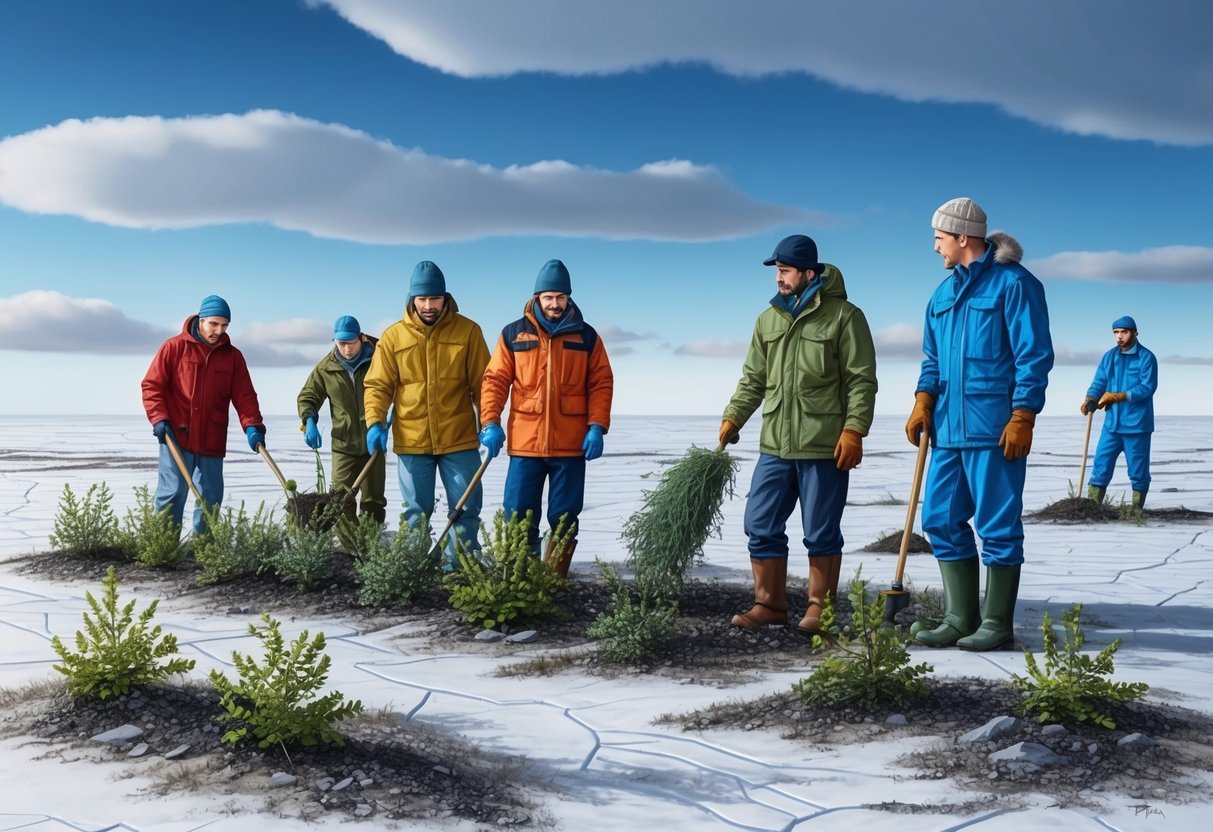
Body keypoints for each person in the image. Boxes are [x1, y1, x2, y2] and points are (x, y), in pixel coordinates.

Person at [906, 197, 1054, 651]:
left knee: (997, 525)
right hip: (948, 431)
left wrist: (1024, 413)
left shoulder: (1015, 284)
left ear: (962, 237)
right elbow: (932, 358)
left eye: (939, 238)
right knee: (940, 520)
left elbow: (1033, 355)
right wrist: (923, 398)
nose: (935, 248)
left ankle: (996, 622)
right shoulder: (942, 295)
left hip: (995, 429)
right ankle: (959, 617)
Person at [721, 235, 877, 634]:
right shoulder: (767, 320)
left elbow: (861, 381)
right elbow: (753, 379)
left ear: (809, 273)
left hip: (823, 444)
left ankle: (818, 611)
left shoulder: (845, 317)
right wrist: (734, 417)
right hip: (775, 443)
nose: (779, 278)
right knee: (760, 522)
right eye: (777, 271)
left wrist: (855, 430)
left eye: (785, 270)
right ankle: (769, 605)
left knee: (821, 530)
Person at [479, 259, 614, 577]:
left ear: (569, 298)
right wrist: (490, 422)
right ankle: (518, 579)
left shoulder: (586, 337)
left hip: (570, 445)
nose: (554, 304)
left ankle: (553, 581)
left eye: (561, 297)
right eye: (548, 297)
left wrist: (597, 427)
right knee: (517, 514)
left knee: (565, 516)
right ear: (537, 297)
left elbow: (601, 383)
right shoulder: (513, 334)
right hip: (526, 445)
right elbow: (495, 380)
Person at [363, 261, 491, 567]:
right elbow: (378, 385)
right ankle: (411, 570)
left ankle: (459, 570)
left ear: (445, 298)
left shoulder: (468, 332)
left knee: (465, 507)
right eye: (422, 299)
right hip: (412, 439)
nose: (429, 306)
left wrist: (490, 422)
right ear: (412, 300)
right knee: (415, 511)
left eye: (435, 299)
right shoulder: (394, 337)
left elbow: (484, 384)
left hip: (458, 438)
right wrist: (375, 423)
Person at [141, 294, 266, 536]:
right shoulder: (174, 347)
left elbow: (245, 396)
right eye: (214, 324)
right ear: (201, 319)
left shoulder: (233, 357)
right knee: (173, 491)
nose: (219, 331)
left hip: (212, 435)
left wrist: (253, 426)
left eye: (225, 326)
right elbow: (151, 385)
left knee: (211, 495)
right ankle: (163, 548)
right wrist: (158, 418)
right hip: (177, 434)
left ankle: (203, 550)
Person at [296, 315, 386, 524]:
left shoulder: (378, 361)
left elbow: (395, 387)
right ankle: (350, 549)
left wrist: (391, 416)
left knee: (373, 501)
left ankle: (369, 546)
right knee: (340, 500)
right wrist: (309, 420)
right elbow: (308, 396)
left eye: (351, 343)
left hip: (374, 441)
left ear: (361, 338)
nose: (346, 349)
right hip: (343, 445)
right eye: (341, 343)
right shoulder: (326, 368)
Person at [1082, 316, 1158, 509]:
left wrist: (1118, 396)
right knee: (1100, 465)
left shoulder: (1146, 357)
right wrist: (1090, 398)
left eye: (1124, 332)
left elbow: (1147, 387)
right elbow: (1099, 381)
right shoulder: (1110, 357)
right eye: (1116, 332)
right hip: (1112, 425)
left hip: (1137, 426)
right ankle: (1093, 508)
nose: (1119, 337)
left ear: (1135, 333)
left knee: (1138, 471)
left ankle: (1136, 510)